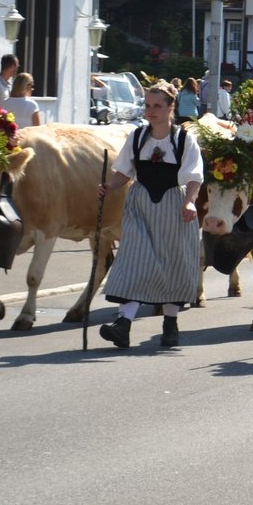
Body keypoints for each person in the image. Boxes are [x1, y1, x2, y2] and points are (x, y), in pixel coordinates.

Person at [96, 83, 204, 348]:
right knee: (134, 260)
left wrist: (190, 204)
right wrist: (109, 188)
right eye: (147, 105)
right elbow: (124, 171)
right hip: (141, 203)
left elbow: (194, 177)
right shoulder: (137, 137)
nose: (150, 111)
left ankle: (170, 324)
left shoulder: (183, 139)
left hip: (173, 206)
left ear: (171, 108)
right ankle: (123, 324)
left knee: (172, 264)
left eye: (157, 106)